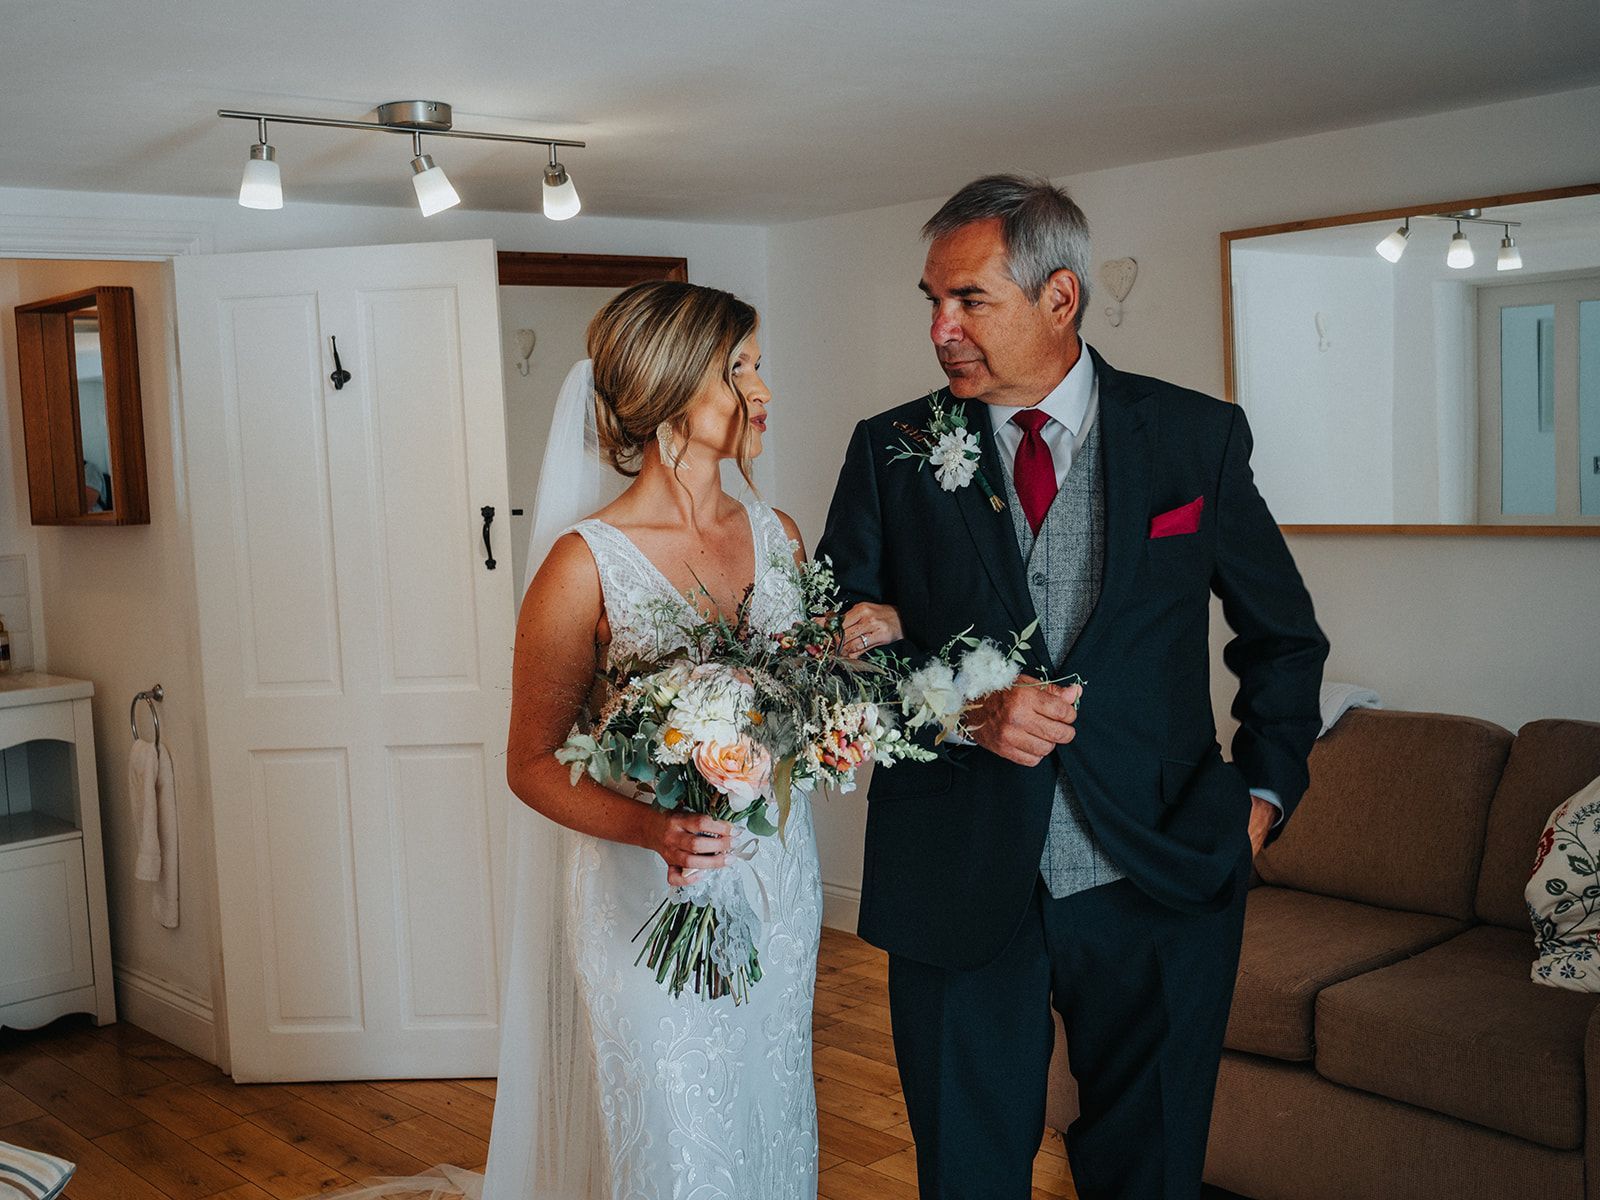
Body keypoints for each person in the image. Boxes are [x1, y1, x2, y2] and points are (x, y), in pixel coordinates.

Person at [815, 175, 1329, 1200]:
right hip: (955, 875)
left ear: (1060, 298)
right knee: (967, 1173)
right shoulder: (891, 450)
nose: (939, 329)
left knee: (1150, 1169)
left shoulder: (1195, 437)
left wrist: (1260, 800)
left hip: (1157, 870)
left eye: (968, 300)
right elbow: (835, 656)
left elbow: (1283, 638)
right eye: (931, 300)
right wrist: (966, 712)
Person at [488, 281, 823, 1199]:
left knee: (770, 1105)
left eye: (758, 363)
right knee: (675, 1136)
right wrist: (655, 832)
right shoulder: (582, 564)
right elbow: (528, 763)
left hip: (775, 881)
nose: (763, 386)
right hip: (644, 890)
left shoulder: (781, 536)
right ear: (678, 390)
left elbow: (802, 707)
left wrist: (843, 702)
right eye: (741, 367)